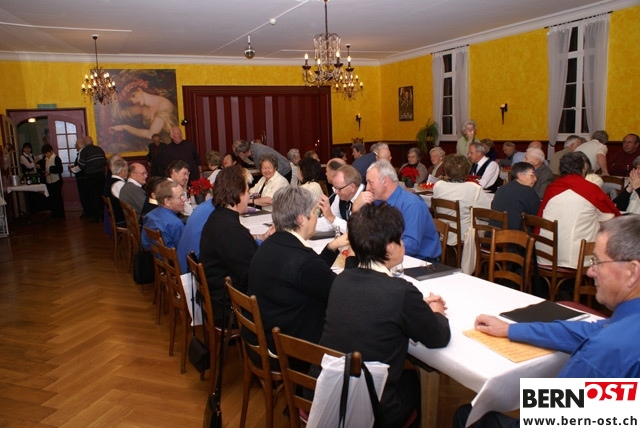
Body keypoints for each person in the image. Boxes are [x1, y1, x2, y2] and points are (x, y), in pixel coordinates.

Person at [457, 215, 640, 427]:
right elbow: (584, 331)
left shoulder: (606, 350)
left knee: (467, 415)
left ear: (632, 272)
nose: (590, 271)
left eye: (597, 262)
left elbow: (549, 418)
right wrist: (510, 329)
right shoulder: (621, 328)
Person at [321, 203, 451, 428]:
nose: (403, 244)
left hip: (329, 395)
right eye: (400, 239)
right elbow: (438, 337)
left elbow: (373, 306)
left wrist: (416, 307)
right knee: (414, 380)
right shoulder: (400, 291)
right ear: (389, 249)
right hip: (372, 408)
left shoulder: (341, 280)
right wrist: (437, 312)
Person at [248, 186, 349, 359]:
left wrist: (332, 247)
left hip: (266, 336)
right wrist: (352, 258)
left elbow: (311, 276)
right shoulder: (304, 261)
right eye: (314, 212)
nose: (316, 217)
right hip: (293, 349)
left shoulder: (270, 244)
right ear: (302, 219)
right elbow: (342, 293)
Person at [199, 166, 274, 326]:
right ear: (238, 194)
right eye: (247, 192)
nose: (248, 196)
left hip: (218, 296)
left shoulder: (217, 217)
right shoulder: (231, 231)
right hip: (229, 307)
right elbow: (253, 275)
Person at [538, 152, 620, 268]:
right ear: (583, 169)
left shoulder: (552, 188)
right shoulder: (591, 189)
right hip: (576, 259)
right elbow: (612, 220)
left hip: (545, 255)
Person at [364, 160, 441, 261]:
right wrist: (357, 209)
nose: (367, 188)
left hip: (420, 262)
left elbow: (411, 246)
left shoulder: (411, 204)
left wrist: (375, 246)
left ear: (385, 181)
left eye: (370, 182)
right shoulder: (377, 202)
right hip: (392, 258)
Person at [433, 154, 492, 245]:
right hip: (464, 235)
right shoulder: (473, 188)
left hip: (444, 232)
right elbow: (488, 211)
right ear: (467, 171)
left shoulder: (438, 185)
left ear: (446, 171)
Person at [109, 78, 178, 143]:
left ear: (139, 90)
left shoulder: (163, 105)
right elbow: (118, 114)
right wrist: (113, 95)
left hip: (171, 144)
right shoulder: (141, 107)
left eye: (133, 96)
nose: (134, 101)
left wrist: (125, 127)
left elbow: (151, 135)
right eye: (131, 101)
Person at [491, 162, 541, 230]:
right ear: (520, 175)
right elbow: (537, 217)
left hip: (494, 233)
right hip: (515, 235)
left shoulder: (501, 188)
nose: (535, 179)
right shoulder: (528, 191)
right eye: (532, 175)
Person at [316, 164, 365, 234]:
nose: (336, 192)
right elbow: (329, 221)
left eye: (338, 188)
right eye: (334, 187)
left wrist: (331, 217)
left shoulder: (366, 200)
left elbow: (358, 231)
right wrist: (306, 225)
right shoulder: (340, 195)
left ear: (352, 187)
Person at [141, 179, 185, 251]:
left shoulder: (149, 216)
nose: (184, 199)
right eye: (180, 197)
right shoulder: (176, 224)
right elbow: (184, 251)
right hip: (173, 257)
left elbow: (145, 244)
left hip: (155, 255)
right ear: (167, 201)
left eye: (183, 195)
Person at [77, 136, 107, 222]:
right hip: (101, 175)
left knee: (93, 196)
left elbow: (81, 165)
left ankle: (97, 216)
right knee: (101, 195)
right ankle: (104, 215)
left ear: (85, 142)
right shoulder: (99, 149)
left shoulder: (85, 151)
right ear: (92, 141)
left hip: (91, 176)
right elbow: (104, 161)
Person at [41, 144, 65, 219]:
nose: (46, 155)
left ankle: (60, 214)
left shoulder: (56, 158)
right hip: (49, 182)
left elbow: (60, 169)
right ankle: (54, 214)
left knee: (57, 198)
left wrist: (51, 171)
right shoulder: (45, 159)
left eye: (47, 153)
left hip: (56, 181)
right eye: (45, 153)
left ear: (51, 151)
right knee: (52, 198)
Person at [104, 158, 128, 225]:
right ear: (122, 171)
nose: (127, 172)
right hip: (121, 219)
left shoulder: (109, 182)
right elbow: (127, 202)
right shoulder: (119, 184)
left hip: (115, 217)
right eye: (126, 170)